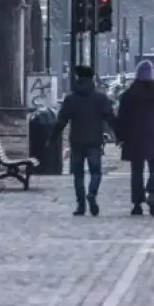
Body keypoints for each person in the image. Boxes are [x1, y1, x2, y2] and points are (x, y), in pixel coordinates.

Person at [51, 65, 116, 217]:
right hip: (95, 141)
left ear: (78, 79)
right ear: (92, 79)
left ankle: (80, 205)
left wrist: (53, 137)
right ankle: (92, 193)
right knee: (95, 172)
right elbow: (111, 119)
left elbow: (62, 121)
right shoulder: (100, 99)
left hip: (77, 141)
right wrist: (120, 134)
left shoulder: (71, 99)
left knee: (78, 175)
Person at [115, 60, 154, 217]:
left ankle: (137, 203)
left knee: (137, 170)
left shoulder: (129, 94)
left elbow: (122, 118)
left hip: (135, 137)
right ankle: (152, 193)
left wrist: (121, 137)